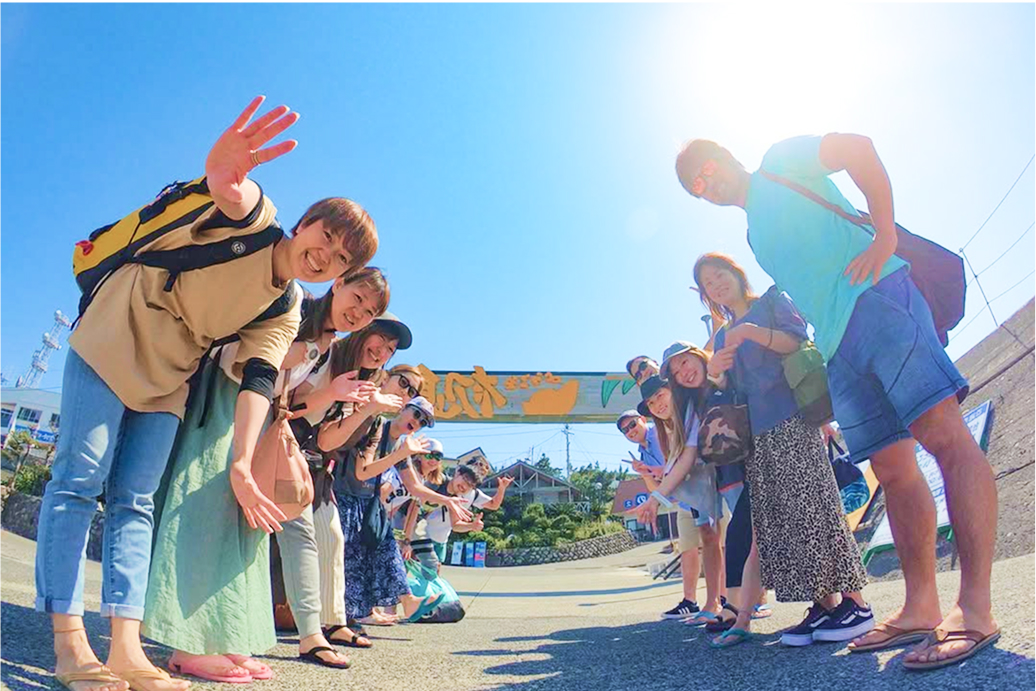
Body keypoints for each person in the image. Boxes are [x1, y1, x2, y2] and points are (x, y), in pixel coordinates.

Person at [35, 96, 377, 691]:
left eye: (341, 257)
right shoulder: (255, 220)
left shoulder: (287, 305)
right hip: (116, 331)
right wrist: (223, 169)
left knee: (136, 500)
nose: (325, 255)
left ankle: (125, 648)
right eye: (326, 236)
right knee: (78, 480)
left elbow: (259, 380)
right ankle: (69, 642)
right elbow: (230, 189)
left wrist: (242, 463)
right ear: (305, 224)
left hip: (173, 372)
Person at [676, 135, 998, 669]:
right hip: (835, 345)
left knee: (944, 436)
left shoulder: (780, 162)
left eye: (707, 171)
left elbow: (858, 148)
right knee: (893, 470)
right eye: (696, 187)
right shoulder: (754, 233)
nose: (707, 186)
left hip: (878, 299)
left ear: (728, 156)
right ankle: (920, 607)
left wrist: (885, 234)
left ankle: (975, 608)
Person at [690, 253, 871, 649]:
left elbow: (797, 339)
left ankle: (856, 603)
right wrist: (717, 373)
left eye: (719, 275)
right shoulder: (721, 337)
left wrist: (751, 333)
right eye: (708, 283)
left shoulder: (771, 301)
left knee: (817, 506)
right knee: (787, 521)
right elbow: (730, 390)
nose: (716, 285)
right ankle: (824, 604)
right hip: (755, 437)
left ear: (736, 273)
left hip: (793, 418)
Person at [319, 397, 473, 627]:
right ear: (403, 408)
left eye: (423, 422)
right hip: (344, 496)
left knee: (387, 548)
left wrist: (448, 501)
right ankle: (352, 613)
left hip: (368, 504)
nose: (417, 422)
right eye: (416, 414)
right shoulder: (376, 426)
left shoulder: (402, 445)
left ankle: (406, 602)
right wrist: (400, 454)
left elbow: (414, 487)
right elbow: (362, 472)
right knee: (352, 559)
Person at [659, 341, 763, 630]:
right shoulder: (693, 406)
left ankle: (744, 605)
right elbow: (689, 453)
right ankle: (737, 606)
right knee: (742, 534)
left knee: (756, 534)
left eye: (684, 362)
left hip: (761, 458)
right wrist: (657, 496)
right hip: (730, 472)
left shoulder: (726, 371)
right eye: (676, 372)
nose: (683, 372)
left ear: (697, 355)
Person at [633, 375, 727, 626]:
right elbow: (676, 467)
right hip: (696, 491)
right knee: (709, 539)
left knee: (724, 540)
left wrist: (655, 498)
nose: (657, 405)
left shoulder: (691, 412)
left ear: (672, 390)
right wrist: (655, 489)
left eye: (660, 396)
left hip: (720, 479)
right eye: (651, 403)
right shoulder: (668, 429)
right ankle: (715, 602)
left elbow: (686, 460)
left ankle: (736, 602)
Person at [617, 409, 701, 620]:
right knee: (689, 549)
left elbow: (682, 462)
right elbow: (656, 488)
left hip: (701, 491)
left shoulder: (661, 432)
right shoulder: (643, 452)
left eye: (632, 424)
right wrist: (644, 473)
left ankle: (729, 601)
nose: (630, 431)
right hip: (684, 501)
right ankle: (691, 602)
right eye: (625, 430)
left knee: (717, 546)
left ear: (642, 419)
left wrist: (657, 470)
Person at [404, 456, 513, 575]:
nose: (479, 472)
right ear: (461, 470)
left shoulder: (469, 493)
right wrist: (407, 539)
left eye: (483, 472)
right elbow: (415, 507)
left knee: (431, 576)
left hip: (441, 538)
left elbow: (492, 505)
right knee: (410, 569)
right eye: (477, 468)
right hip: (421, 532)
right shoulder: (442, 483)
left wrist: (501, 489)